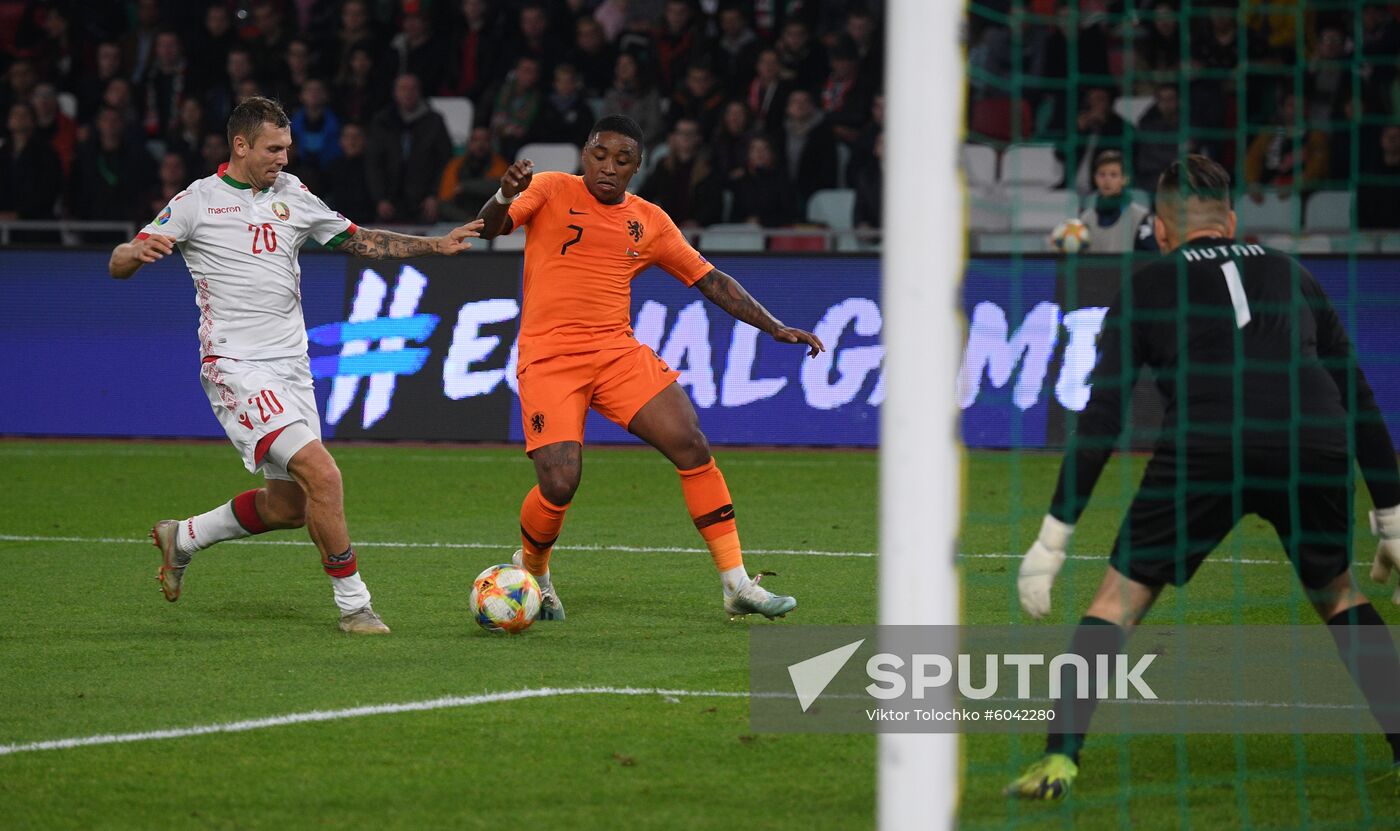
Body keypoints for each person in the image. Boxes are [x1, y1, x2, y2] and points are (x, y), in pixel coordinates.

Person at [1007, 155, 1400, 800]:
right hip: (1311, 436)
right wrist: (1389, 513)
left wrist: (1053, 539)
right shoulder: (1292, 271)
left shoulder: (1146, 286)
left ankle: (1059, 759)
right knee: (1337, 595)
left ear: (1159, 230)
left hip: (1207, 445)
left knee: (1117, 602)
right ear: (1234, 222)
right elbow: (1356, 392)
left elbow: (1101, 420)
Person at [107, 97, 483, 634]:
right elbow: (119, 262)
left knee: (288, 506)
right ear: (240, 146)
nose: (283, 158)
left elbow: (360, 240)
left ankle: (183, 536)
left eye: (287, 148)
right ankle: (355, 606)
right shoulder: (197, 202)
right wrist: (132, 254)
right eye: (273, 149)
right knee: (323, 474)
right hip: (235, 365)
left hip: (292, 367)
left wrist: (436, 246)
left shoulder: (293, 194)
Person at [473, 114, 825, 620]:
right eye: (599, 155)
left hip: (616, 353)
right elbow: (491, 227)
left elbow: (710, 279)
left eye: (622, 160)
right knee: (559, 482)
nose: (608, 168)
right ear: (584, 153)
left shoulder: (650, 221)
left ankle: (736, 584)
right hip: (549, 357)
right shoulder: (549, 189)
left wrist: (772, 326)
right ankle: (535, 571)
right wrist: (505, 194)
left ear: (638, 166)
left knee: (690, 442)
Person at [1076, 151, 1148, 254]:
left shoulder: (1141, 218)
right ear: (1095, 178)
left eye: (1113, 175)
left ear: (1124, 179)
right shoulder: (1085, 220)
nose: (1107, 180)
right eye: (1102, 174)